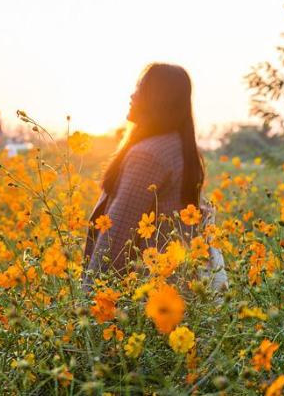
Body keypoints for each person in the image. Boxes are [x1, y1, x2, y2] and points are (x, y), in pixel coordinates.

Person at [82, 63, 206, 287]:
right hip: (171, 289)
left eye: (141, 88)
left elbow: (117, 235)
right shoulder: (177, 145)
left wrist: (90, 300)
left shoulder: (148, 155)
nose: (132, 95)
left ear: (159, 97)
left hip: (138, 295)